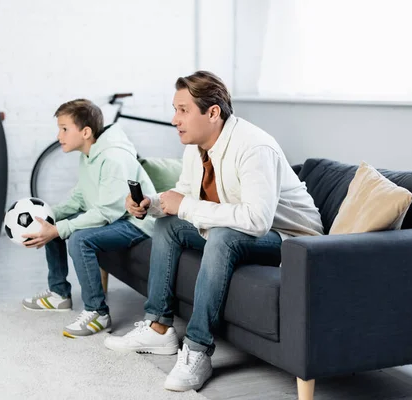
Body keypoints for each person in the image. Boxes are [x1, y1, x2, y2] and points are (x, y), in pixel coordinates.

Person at [104, 71, 323, 391]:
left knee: (221, 236)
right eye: (174, 109)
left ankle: (197, 349)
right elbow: (184, 197)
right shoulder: (196, 147)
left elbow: (257, 220)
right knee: (167, 225)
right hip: (243, 226)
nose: (174, 119)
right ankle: (159, 328)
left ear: (213, 112)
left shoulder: (254, 146)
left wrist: (184, 206)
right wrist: (150, 204)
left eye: (183, 110)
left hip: (290, 238)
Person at [21, 99, 156, 338]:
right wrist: (47, 215)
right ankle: (59, 294)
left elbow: (107, 212)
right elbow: (81, 197)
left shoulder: (113, 158)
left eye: (64, 129)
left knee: (78, 239)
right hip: (116, 218)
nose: (59, 135)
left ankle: (98, 312)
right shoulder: (88, 154)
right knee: (53, 225)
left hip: (136, 223)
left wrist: (60, 229)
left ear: (85, 132)